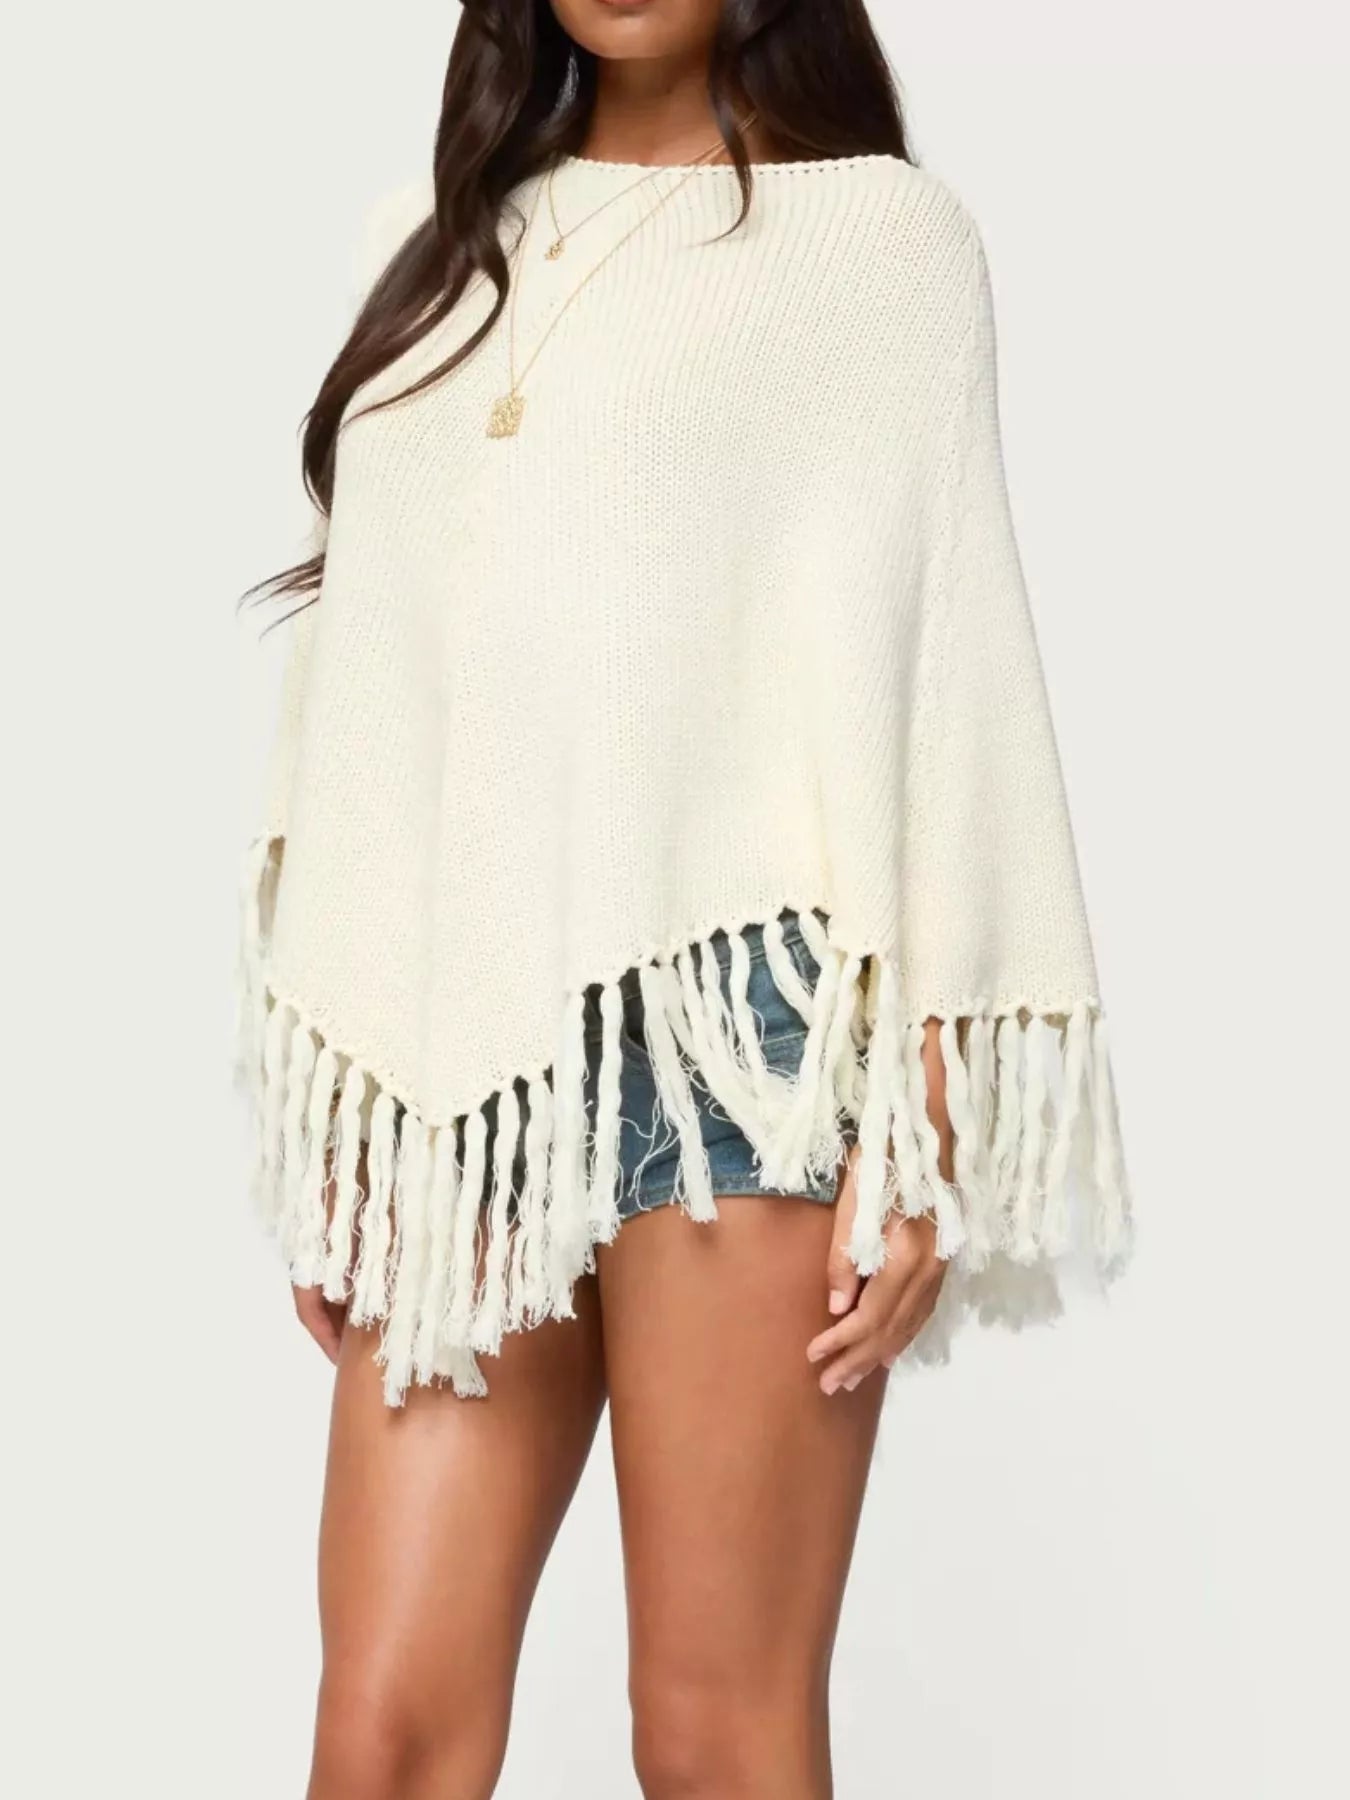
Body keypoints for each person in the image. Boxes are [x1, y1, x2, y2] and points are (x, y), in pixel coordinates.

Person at [239, 2, 1131, 1794]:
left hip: (743, 1040)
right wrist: (359, 1084)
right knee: (383, 1730)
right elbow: (372, 683)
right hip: (470, 1065)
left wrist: (924, 1101)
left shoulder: (877, 242)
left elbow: (947, 658)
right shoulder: (429, 248)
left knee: (713, 1737)